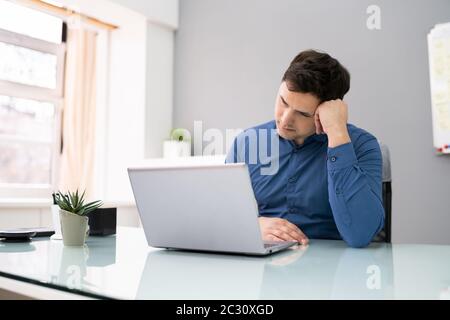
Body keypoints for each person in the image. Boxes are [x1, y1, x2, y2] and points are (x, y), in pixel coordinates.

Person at [225, 49, 385, 248]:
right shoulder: (247, 143)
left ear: (324, 112)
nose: (285, 120)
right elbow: (224, 218)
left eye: (302, 114)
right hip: (264, 270)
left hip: (334, 271)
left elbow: (360, 235)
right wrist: (253, 225)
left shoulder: (362, 146)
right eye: (283, 102)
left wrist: (336, 132)